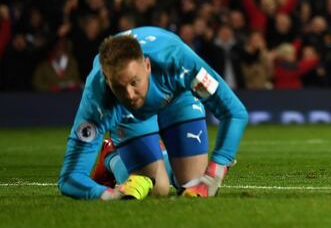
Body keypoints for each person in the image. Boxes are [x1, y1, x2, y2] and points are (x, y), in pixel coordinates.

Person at [58, 26, 248, 199]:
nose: (130, 95)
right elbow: (70, 177)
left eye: (134, 82)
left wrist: (215, 174)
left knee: (193, 183)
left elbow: (234, 112)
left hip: (178, 97)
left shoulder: (178, 62)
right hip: (128, 116)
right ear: (107, 80)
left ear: (147, 66)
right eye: (120, 87)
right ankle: (112, 157)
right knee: (155, 189)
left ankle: (156, 157)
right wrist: (106, 195)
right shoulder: (97, 97)